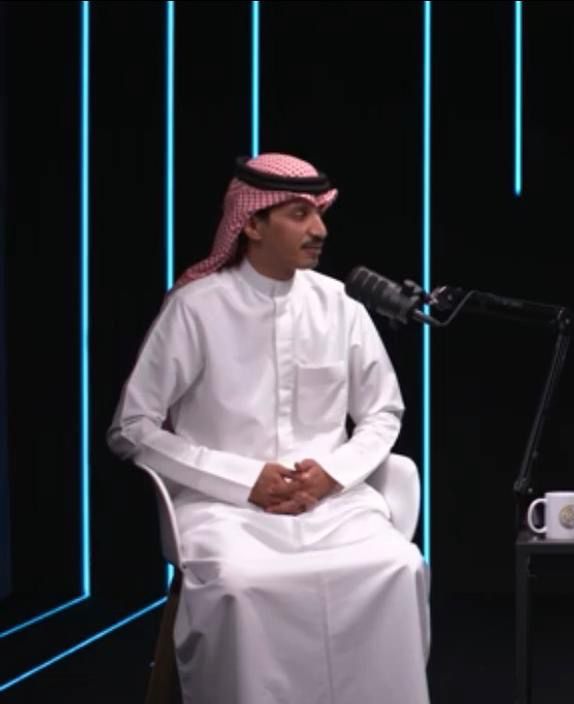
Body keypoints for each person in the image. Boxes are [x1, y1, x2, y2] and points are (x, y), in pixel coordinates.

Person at [107, 153, 430, 704]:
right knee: (239, 582)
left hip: (334, 508)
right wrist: (242, 479)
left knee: (397, 566)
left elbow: (383, 412)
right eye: (300, 215)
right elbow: (131, 428)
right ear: (252, 224)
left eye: (320, 214)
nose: (319, 230)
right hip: (224, 510)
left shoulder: (341, 307)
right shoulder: (196, 308)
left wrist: (332, 474)